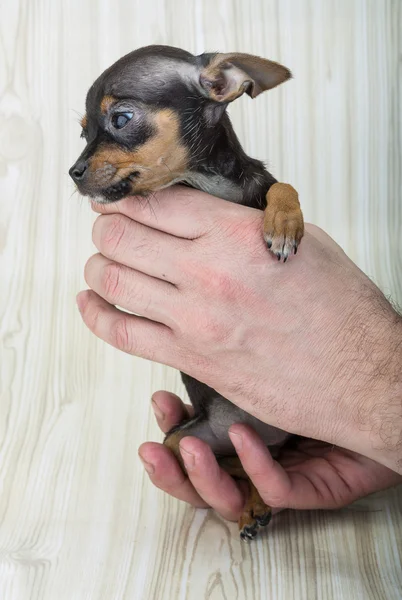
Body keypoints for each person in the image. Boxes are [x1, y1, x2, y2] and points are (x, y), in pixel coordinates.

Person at [77, 186, 402, 522]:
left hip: (288, 427)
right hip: (261, 430)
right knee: (179, 450)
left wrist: (373, 384)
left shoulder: (250, 184)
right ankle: (250, 481)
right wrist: (377, 435)